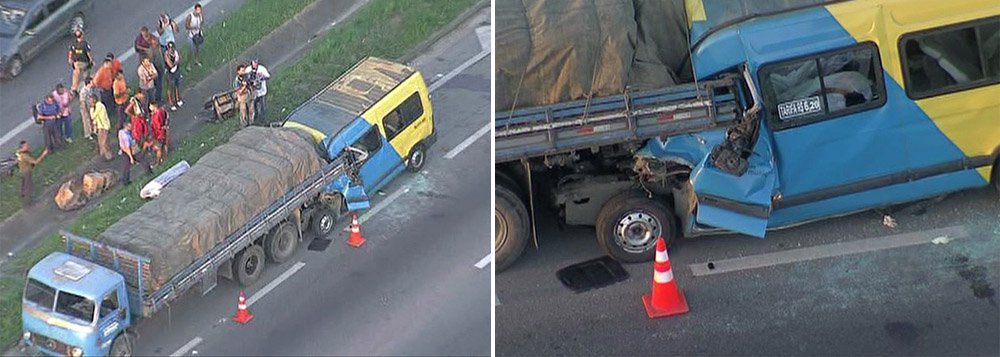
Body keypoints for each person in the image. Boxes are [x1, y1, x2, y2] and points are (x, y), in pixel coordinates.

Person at [15, 141, 48, 206]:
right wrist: (43, 154)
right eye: (26, 146)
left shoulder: (18, 153)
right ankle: (28, 202)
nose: (28, 146)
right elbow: (35, 162)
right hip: (27, 172)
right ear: (22, 147)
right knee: (28, 187)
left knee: (24, 185)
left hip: (22, 171)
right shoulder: (25, 156)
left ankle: (23, 195)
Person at [90, 95, 112, 161]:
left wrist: (91, 108)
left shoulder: (99, 105)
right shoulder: (96, 106)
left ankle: (108, 156)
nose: (90, 102)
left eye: (91, 101)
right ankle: (103, 154)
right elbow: (95, 118)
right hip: (100, 126)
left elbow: (93, 116)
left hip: (105, 126)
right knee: (100, 141)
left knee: (104, 142)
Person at [164, 42, 183, 111]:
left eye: (172, 47)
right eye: (169, 48)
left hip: (176, 71)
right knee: (170, 88)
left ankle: (177, 99)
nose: (171, 49)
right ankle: (171, 102)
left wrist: (176, 62)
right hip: (170, 73)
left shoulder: (176, 53)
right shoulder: (166, 55)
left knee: (177, 85)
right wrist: (176, 62)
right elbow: (170, 65)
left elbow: (180, 60)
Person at [149, 101, 169, 165]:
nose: (149, 108)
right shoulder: (161, 111)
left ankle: (158, 162)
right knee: (164, 144)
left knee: (158, 148)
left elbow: (158, 125)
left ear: (154, 106)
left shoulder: (157, 115)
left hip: (159, 133)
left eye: (150, 106)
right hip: (162, 131)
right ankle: (165, 158)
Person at [185, 3, 204, 70]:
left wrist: (201, 28)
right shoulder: (190, 16)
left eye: (200, 10)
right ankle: (188, 64)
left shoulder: (200, 16)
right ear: (195, 10)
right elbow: (186, 26)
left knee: (198, 49)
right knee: (191, 51)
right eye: (198, 10)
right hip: (191, 36)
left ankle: (196, 60)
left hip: (198, 34)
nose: (199, 12)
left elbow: (202, 22)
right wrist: (193, 27)